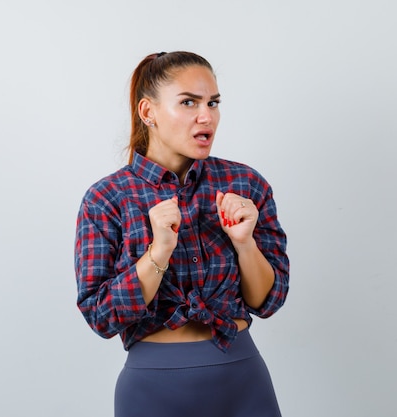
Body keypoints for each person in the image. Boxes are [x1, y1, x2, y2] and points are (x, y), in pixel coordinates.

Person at [74, 51, 289, 417]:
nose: (206, 116)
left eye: (213, 102)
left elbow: (268, 301)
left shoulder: (245, 184)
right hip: (153, 389)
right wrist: (158, 253)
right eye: (189, 102)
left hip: (243, 378)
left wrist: (244, 243)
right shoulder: (106, 198)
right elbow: (101, 317)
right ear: (148, 112)